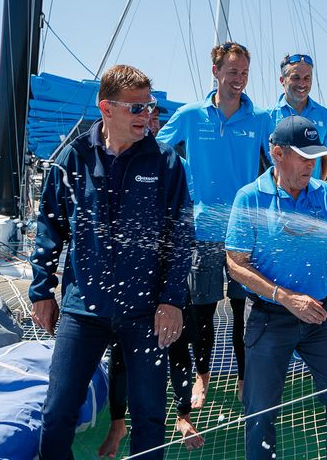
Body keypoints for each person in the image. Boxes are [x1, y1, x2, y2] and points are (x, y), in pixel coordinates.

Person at [29, 64, 193, 460]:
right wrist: (41, 291)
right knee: (57, 413)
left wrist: (171, 300)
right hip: (82, 309)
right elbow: (50, 226)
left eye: (149, 107)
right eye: (136, 108)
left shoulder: (165, 162)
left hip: (144, 312)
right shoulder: (73, 158)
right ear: (107, 108)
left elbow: (181, 237)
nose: (147, 116)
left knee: (150, 417)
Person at [226, 116, 327, 460]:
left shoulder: (323, 194)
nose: (311, 163)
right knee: (260, 411)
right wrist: (285, 297)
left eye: (315, 156)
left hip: (320, 317)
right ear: (278, 154)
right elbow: (235, 264)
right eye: (303, 156)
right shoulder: (249, 198)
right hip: (269, 317)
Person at [157, 42, 272, 409]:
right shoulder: (191, 115)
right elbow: (157, 151)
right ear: (216, 72)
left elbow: (279, 163)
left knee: (244, 312)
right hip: (202, 229)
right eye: (232, 72)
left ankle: (243, 377)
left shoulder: (260, 119)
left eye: (244, 73)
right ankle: (201, 379)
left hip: (244, 232)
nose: (239, 79)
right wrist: (187, 179)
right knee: (201, 313)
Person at [98, 103, 203, 458]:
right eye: (147, 116)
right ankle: (117, 422)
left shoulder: (174, 163)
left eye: (157, 118)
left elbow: (183, 223)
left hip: (170, 280)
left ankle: (184, 416)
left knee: (178, 349)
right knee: (121, 355)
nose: (151, 123)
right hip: (130, 285)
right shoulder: (123, 160)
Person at [269, 53, 327, 180]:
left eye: (307, 78)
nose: (302, 84)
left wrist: (316, 187)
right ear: (282, 80)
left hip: (310, 196)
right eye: (296, 78)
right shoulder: (267, 117)